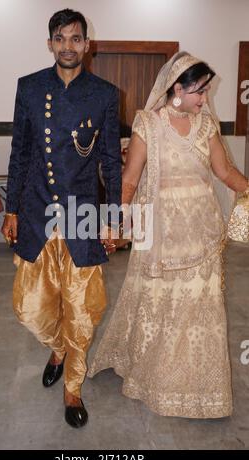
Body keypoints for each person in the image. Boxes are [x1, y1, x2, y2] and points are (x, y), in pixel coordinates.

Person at [88, 51, 249, 419]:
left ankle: (200, 385)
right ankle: (155, 375)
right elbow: (129, 180)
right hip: (161, 234)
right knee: (162, 304)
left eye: (206, 92)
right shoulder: (148, 124)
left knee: (200, 307)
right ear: (178, 88)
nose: (204, 99)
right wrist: (115, 222)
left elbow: (225, 173)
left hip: (201, 232)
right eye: (200, 92)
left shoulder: (206, 126)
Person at [1, 8, 121, 428]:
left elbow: (111, 162)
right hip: (35, 211)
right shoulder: (29, 88)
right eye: (60, 37)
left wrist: (113, 218)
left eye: (75, 38)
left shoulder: (105, 94)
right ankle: (58, 346)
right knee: (28, 308)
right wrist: (11, 208)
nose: (67, 46)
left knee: (82, 311)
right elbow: (20, 152)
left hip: (83, 214)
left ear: (87, 45)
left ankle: (73, 387)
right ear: (49, 43)